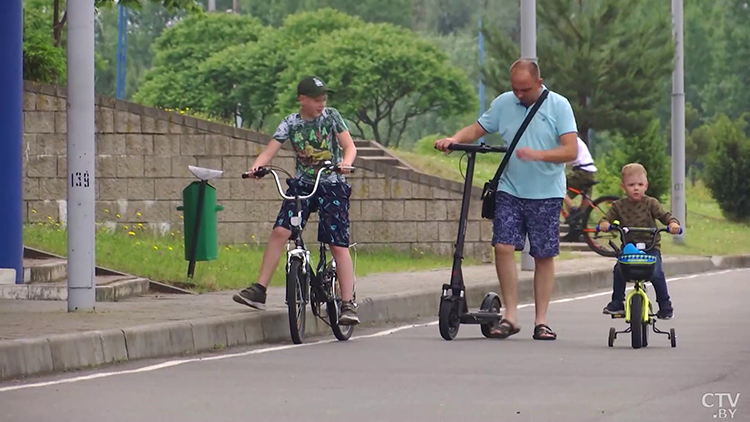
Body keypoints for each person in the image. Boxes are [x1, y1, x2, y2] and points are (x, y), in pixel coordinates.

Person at [434, 59, 578, 340]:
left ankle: (541, 321)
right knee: (502, 246)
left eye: (525, 89)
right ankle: (511, 316)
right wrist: (453, 139)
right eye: (515, 89)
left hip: (546, 192)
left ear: (540, 82)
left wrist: (538, 154)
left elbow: (570, 150)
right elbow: (477, 129)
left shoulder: (559, 106)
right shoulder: (504, 103)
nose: (520, 95)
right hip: (510, 188)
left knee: (543, 255)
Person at [233, 76, 360, 326]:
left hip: (332, 184)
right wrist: (256, 168)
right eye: (316, 99)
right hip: (302, 185)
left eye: (324, 98)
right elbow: (270, 150)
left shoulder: (332, 117)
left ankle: (348, 304)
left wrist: (346, 163)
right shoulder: (291, 123)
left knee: (337, 244)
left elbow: (349, 147)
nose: (321, 103)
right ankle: (259, 290)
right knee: (281, 231)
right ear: (302, 99)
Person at [597, 163, 680, 320]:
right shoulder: (618, 206)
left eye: (640, 185)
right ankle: (617, 303)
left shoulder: (651, 203)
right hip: (629, 250)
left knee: (656, 273)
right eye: (631, 185)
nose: (636, 188)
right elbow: (606, 218)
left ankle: (665, 306)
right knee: (619, 270)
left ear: (646, 186)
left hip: (650, 248)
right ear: (623, 187)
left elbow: (665, 216)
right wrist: (604, 224)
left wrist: (673, 224)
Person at [563, 136, 597, 218]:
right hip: (590, 172)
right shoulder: (576, 140)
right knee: (572, 196)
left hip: (582, 172)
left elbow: (568, 159)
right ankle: (577, 220)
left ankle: (573, 209)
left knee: (557, 186)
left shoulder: (570, 141)